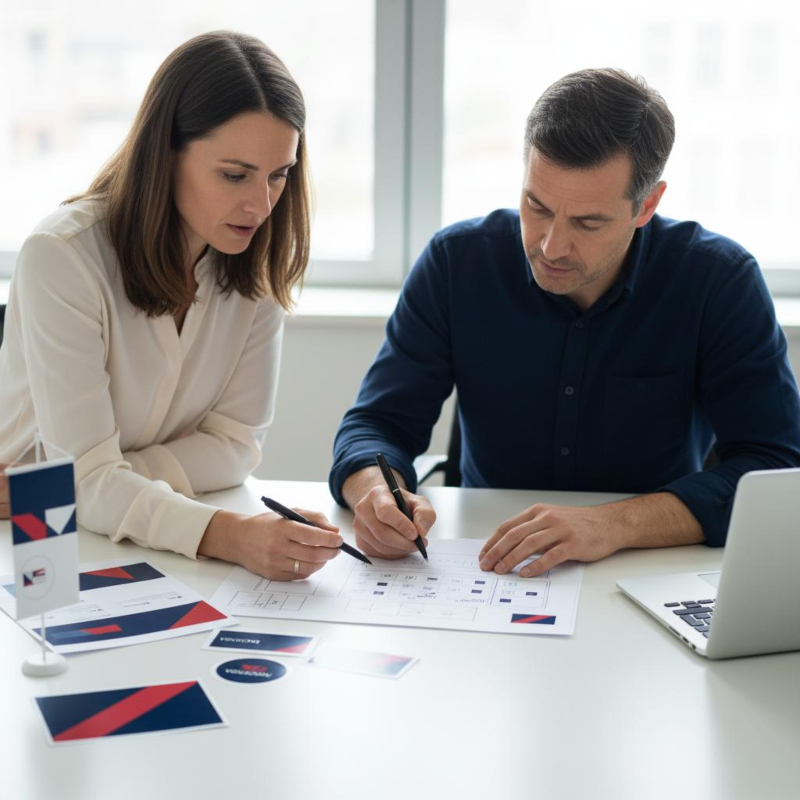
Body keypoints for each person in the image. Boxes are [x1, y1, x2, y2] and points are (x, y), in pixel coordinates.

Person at [330, 68, 800, 578]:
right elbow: (377, 423)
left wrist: (614, 524)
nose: (551, 246)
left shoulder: (718, 281)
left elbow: (776, 466)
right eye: (537, 206)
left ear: (647, 205)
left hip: (649, 566)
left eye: (587, 222)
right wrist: (376, 492)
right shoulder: (457, 263)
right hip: (485, 560)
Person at [0, 31, 343, 580]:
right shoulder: (62, 258)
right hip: (31, 545)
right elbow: (88, 485)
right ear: (165, 152)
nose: (260, 205)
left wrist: (104, 479)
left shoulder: (254, 260)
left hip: (80, 514)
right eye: (234, 175)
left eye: (278, 175)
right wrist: (229, 534)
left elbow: (235, 446)